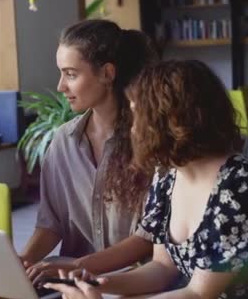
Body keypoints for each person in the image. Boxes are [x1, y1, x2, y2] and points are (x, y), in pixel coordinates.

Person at [44, 60, 248, 299]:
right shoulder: (167, 174)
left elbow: (198, 296)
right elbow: (162, 269)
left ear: (169, 119)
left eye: (136, 114)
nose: (130, 127)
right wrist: (95, 282)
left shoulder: (242, 183)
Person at [20, 19, 158, 283]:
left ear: (107, 73)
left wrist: (80, 266)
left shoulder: (150, 143)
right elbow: (51, 224)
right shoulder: (63, 142)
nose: (61, 86)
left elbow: (149, 237)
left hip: (137, 284)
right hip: (72, 284)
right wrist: (23, 262)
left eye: (71, 74)